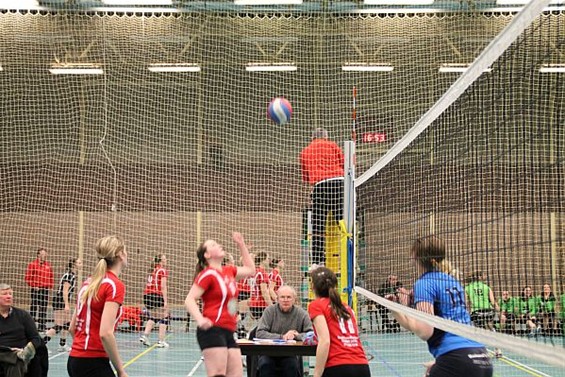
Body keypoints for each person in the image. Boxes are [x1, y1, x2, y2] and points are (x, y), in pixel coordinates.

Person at [391, 235, 493, 377]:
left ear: (418, 259)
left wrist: (399, 309)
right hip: (482, 357)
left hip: (456, 359)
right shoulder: (453, 280)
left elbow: (425, 331)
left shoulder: (424, 283)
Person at [184, 232, 255, 377]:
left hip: (229, 330)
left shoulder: (229, 271)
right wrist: (200, 319)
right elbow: (189, 299)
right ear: (207, 255)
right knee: (218, 374)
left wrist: (241, 245)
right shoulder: (208, 274)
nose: (218, 245)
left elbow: (251, 270)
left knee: (236, 374)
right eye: (213, 245)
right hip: (212, 330)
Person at [67, 235, 129, 377]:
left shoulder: (89, 283)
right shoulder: (114, 285)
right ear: (120, 254)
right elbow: (106, 333)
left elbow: (72, 328)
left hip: (75, 360)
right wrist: (120, 371)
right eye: (125, 250)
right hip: (93, 363)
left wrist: (82, 349)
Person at [308, 266, 370, 377]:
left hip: (337, 366)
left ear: (312, 286)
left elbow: (325, 341)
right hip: (362, 366)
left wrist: (317, 374)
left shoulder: (316, 305)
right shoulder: (346, 307)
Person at [299, 128, 344, 266]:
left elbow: (306, 177)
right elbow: (343, 163)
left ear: (312, 138)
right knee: (343, 223)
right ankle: (349, 255)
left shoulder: (305, 151)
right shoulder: (333, 146)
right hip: (339, 184)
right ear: (326, 137)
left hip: (320, 186)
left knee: (318, 225)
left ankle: (318, 262)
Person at [255, 285, 313, 377]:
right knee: (265, 365)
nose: (285, 300)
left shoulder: (302, 314)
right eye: (282, 297)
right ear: (277, 299)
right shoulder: (269, 311)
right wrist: (282, 337)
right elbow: (260, 333)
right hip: (269, 353)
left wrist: (296, 335)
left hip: (290, 354)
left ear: (294, 299)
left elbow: (311, 334)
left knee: (291, 366)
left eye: (289, 297)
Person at [0, 283, 48, 377]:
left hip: (21, 352)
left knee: (17, 362)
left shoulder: (23, 315)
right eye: (5, 294)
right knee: (14, 358)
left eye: (10, 294)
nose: (8, 296)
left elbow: (36, 338)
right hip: (3, 351)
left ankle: (19, 356)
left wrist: (25, 350)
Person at [43, 257, 83, 352]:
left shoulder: (72, 275)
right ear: (74, 264)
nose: (81, 264)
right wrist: (66, 305)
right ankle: (41, 344)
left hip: (63, 301)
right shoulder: (69, 276)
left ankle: (62, 344)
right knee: (58, 326)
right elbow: (64, 291)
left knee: (66, 324)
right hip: (59, 301)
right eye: (79, 263)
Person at [139, 253, 170, 348]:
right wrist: (165, 301)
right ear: (160, 261)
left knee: (154, 317)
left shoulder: (152, 270)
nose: (166, 260)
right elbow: (163, 287)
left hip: (147, 296)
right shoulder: (162, 270)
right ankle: (161, 341)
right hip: (155, 295)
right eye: (164, 259)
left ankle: (145, 336)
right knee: (165, 316)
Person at [24, 248, 54, 333]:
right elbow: (27, 278)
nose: (44, 255)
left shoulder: (48, 265)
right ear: (38, 255)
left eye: (45, 254)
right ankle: (31, 326)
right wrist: (34, 285)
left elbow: (51, 277)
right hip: (36, 289)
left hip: (45, 289)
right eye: (42, 254)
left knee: (43, 308)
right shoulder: (32, 264)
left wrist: (50, 286)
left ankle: (42, 326)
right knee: (34, 307)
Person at [248, 251, 273, 320]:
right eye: (268, 259)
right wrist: (271, 306)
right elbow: (264, 291)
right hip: (261, 305)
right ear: (263, 260)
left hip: (253, 304)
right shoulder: (262, 273)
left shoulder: (254, 272)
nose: (269, 261)